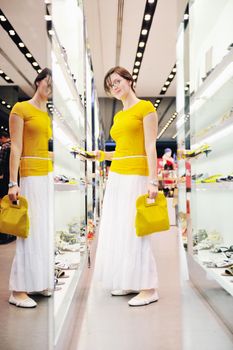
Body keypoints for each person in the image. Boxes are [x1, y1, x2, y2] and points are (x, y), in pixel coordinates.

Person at [93, 66, 159, 306]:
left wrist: (154, 180)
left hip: (137, 177)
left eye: (118, 81)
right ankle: (131, 281)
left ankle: (149, 287)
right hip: (117, 177)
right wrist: (100, 155)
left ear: (130, 81)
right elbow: (121, 152)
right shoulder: (119, 116)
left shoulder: (145, 108)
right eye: (111, 84)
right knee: (120, 230)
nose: (115, 86)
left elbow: (150, 146)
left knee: (136, 230)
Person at [8, 68, 53, 308]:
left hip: (45, 177)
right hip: (29, 177)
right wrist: (13, 182)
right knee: (28, 232)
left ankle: (37, 282)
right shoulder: (21, 109)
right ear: (38, 82)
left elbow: (43, 149)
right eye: (48, 81)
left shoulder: (46, 115)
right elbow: (16, 148)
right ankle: (18, 289)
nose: (51, 85)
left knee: (42, 231)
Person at [0, 131, 16, 244]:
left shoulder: (5, 146)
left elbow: (1, 162)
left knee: (4, 203)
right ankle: (13, 231)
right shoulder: (14, 145)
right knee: (14, 203)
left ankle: (4, 233)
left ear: (2, 138)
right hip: (15, 178)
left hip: (5, 178)